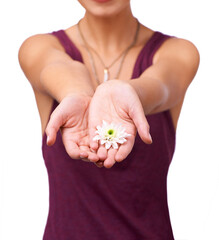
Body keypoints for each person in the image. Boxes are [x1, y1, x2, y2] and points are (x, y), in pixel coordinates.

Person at [18, 0, 200, 239]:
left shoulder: (178, 52)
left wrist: (130, 92)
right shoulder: (39, 48)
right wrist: (78, 93)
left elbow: (162, 85)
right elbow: (57, 67)